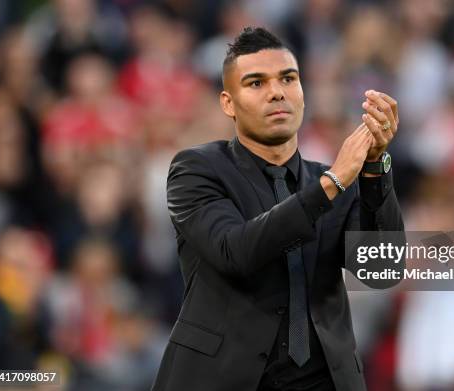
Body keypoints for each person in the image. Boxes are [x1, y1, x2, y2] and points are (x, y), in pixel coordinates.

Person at [151, 26, 404, 391]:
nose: (276, 93)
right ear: (228, 102)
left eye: (288, 78)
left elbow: (382, 270)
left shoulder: (337, 180)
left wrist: (375, 167)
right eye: (256, 83)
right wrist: (332, 182)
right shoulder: (196, 169)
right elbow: (235, 251)